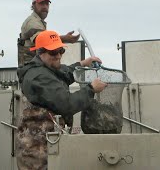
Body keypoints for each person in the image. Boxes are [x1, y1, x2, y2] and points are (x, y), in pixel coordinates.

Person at [16, 30, 107, 169]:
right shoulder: (38, 76)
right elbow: (67, 104)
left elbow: (63, 72)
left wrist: (83, 63)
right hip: (38, 149)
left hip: (48, 142)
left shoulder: (45, 68)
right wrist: (91, 89)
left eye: (61, 51)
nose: (58, 56)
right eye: (53, 52)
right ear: (40, 52)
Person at [18, 0, 80, 66]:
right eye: (41, 3)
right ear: (33, 5)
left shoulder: (38, 21)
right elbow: (44, 41)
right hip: (31, 68)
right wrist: (65, 39)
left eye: (46, 4)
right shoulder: (32, 22)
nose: (45, 7)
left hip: (34, 66)